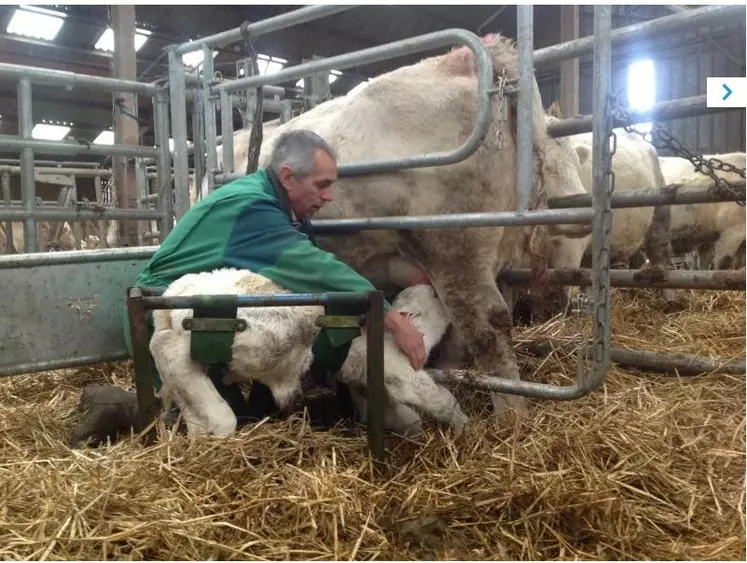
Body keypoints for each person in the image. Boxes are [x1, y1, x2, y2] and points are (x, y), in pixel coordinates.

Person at [122, 129, 427, 426]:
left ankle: (270, 404)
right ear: (287, 177)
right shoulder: (254, 208)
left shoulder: (288, 213)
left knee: (254, 415)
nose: (329, 196)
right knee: (217, 424)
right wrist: (391, 318)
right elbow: (317, 269)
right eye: (321, 185)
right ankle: (121, 410)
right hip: (161, 315)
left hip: (209, 312)